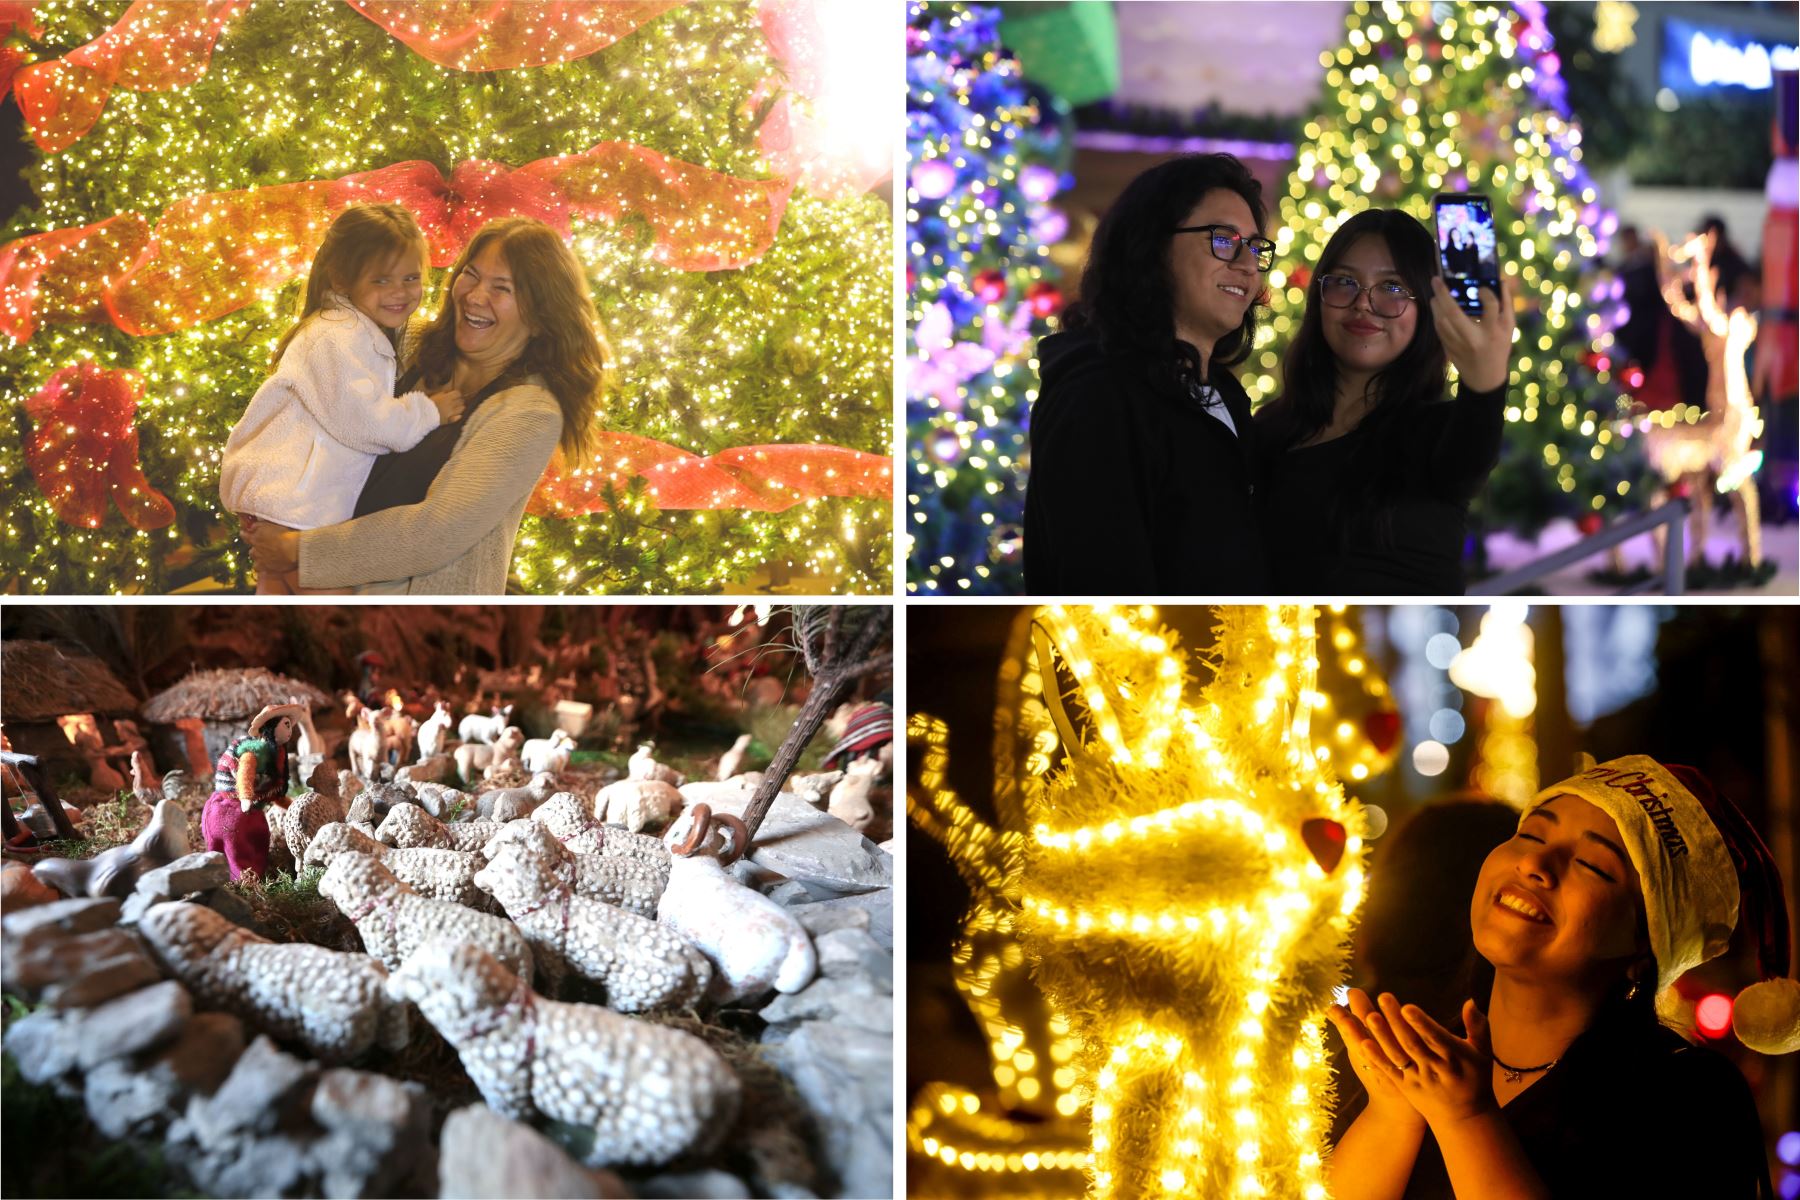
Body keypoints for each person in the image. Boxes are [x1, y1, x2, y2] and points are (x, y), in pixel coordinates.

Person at [1326, 757, 1784, 1199]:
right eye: (1531, 834)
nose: (1535, 866)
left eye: (1593, 866)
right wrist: (1392, 1112)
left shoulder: (1687, 1102)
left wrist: (1467, 1118)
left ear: (1645, 947)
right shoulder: (1432, 1057)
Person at [244, 216, 606, 593]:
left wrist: (296, 550)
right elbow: (313, 401)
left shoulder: (530, 414)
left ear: (540, 316)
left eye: (502, 288)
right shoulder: (407, 344)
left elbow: (435, 533)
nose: (475, 295)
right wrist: (272, 505)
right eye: (471, 274)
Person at [1024, 153, 1272, 594]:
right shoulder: (1098, 395)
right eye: (1224, 239)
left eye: (1255, 247)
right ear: (1152, 245)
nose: (1247, 265)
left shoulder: (1226, 396)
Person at [1255, 209, 1516, 594]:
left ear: (1425, 310)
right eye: (1345, 282)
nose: (1363, 303)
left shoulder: (1437, 433)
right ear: (1320, 297)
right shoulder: (1269, 426)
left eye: (1392, 287)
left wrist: (1487, 377)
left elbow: (1472, 451)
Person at [220, 204, 465, 594]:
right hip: (297, 503)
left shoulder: (350, 328)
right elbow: (369, 424)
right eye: (382, 280)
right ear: (341, 278)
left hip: (290, 499)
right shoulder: (338, 336)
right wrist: (428, 410)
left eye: (411, 277)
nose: (400, 292)